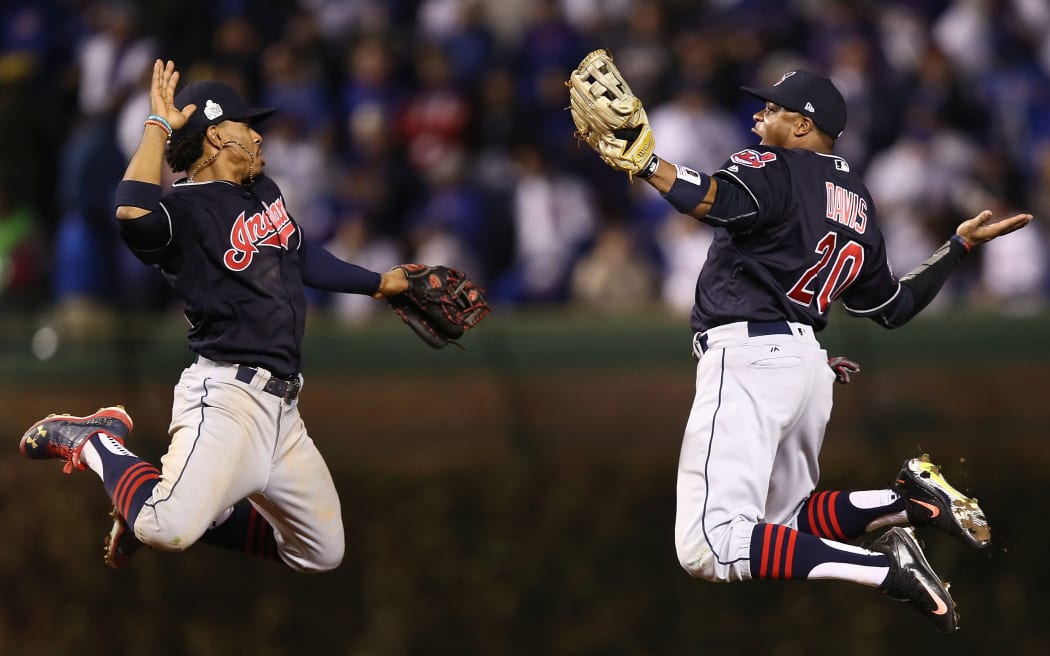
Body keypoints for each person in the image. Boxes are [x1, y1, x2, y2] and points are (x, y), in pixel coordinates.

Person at [572, 61, 1031, 633]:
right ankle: (907, 503)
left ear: (804, 126)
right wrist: (958, 246)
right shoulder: (858, 201)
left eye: (776, 106)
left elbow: (718, 201)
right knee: (784, 525)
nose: (761, 112)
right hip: (807, 366)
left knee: (710, 546)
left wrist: (648, 166)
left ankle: (886, 569)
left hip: (752, 357)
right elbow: (893, 309)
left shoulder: (769, 163)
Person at [19, 59, 415, 572]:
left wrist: (382, 283)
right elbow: (133, 212)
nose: (256, 135)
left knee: (320, 551)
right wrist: (159, 126)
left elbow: (301, 254)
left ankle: (171, 502)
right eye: (244, 125)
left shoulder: (263, 192)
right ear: (214, 137)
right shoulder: (185, 212)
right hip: (227, 398)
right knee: (166, 528)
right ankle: (92, 440)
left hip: (283, 411)